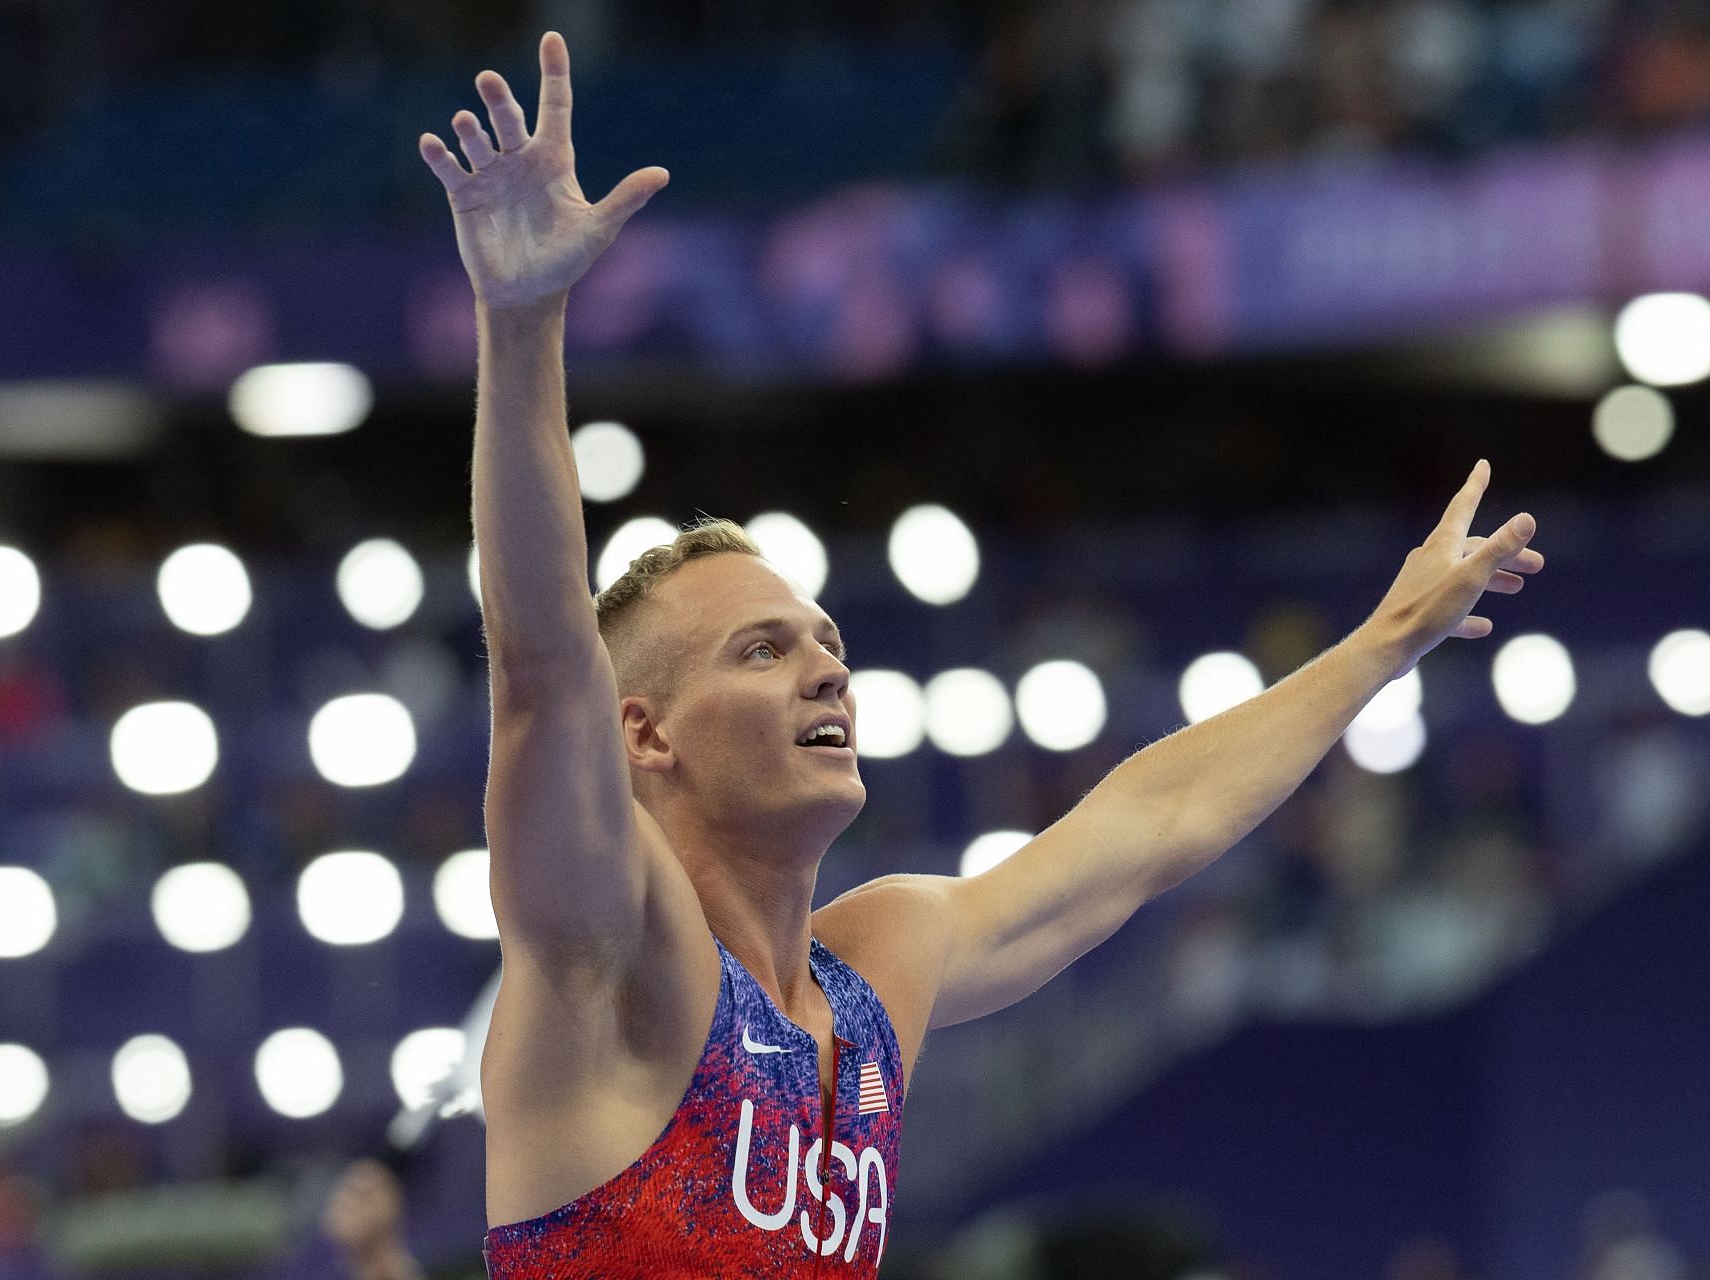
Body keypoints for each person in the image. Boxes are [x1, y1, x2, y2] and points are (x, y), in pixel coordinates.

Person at [416, 32, 1543, 1278]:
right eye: (761, 648)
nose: (827, 669)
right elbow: (540, 669)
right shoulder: (613, 944)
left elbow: (1152, 820)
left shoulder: (875, 969)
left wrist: (1384, 642)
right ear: (645, 733)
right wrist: (519, 327)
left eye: (828, 642)